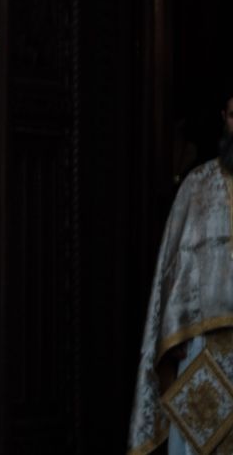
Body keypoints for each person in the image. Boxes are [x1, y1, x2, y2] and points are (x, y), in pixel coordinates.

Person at [128, 92, 233, 455]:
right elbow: (173, 270)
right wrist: (175, 338)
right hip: (202, 343)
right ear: (225, 117)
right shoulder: (197, 186)